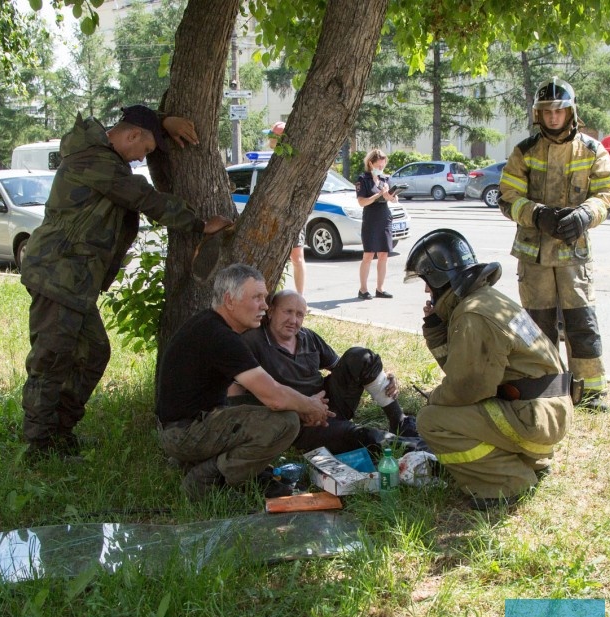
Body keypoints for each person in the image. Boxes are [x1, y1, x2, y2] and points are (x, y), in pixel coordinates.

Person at [20, 105, 233, 461]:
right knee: (52, 358)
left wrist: (163, 122)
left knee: (93, 354)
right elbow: (142, 196)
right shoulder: (96, 162)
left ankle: (60, 431)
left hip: (75, 280)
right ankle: (40, 446)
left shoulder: (102, 157)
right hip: (58, 275)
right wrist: (198, 224)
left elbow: (138, 119)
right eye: (146, 150)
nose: (141, 159)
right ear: (132, 135)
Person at [405, 229, 574, 510]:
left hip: (535, 418)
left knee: (432, 420)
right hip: (547, 411)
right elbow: (463, 367)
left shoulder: (473, 315)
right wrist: (436, 331)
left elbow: (466, 387)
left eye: (426, 281)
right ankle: (529, 460)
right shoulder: (486, 300)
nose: (425, 290)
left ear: (438, 277)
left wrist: (434, 400)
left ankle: (507, 482)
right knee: (452, 410)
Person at [155, 264, 334, 499]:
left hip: (187, 424)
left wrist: (300, 403)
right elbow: (275, 396)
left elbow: (263, 395)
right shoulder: (221, 337)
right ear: (230, 300)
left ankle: (194, 462)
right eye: (257, 297)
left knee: (280, 408)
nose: (265, 305)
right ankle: (205, 478)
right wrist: (309, 406)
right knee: (287, 421)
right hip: (184, 433)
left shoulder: (210, 325)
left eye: (265, 297)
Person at [497, 77, 610, 412]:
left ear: (571, 112)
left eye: (559, 110)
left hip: (573, 253)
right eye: (547, 111)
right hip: (534, 254)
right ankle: (548, 390)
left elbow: (606, 194)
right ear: (538, 114)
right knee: (537, 326)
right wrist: (537, 215)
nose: (553, 117)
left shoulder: (592, 150)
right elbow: (507, 197)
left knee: (582, 323)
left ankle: (591, 393)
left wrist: (584, 215)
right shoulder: (524, 151)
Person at [234, 289, 419, 454]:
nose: (293, 320)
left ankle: (400, 421)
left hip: (329, 404)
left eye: (300, 315)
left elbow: (345, 367)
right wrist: (300, 407)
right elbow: (241, 398)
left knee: (360, 356)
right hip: (300, 421)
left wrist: (381, 377)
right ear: (271, 311)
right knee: (359, 435)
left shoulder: (307, 336)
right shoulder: (252, 342)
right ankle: (416, 450)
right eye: (288, 312)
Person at [265, 120, 307, 294]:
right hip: (273, 213)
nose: (270, 141)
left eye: (274, 137)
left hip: (293, 213)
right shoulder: (274, 160)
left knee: (297, 257)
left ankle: (300, 296)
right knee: (272, 255)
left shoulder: (293, 159)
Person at [355, 148, 399, 300]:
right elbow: (361, 202)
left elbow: (390, 198)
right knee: (368, 255)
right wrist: (378, 195)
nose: (381, 169)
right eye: (378, 166)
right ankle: (363, 289)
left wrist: (391, 196)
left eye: (383, 166)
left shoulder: (385, 179)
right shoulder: (363, 179)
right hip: (371, 219)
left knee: (383, 254)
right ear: (370, 164)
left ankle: (380, 288)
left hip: (384, 218)